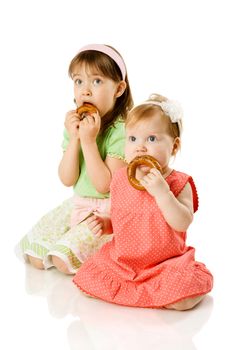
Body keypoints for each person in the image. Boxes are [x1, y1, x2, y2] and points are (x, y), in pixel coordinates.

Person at [73, 93, 213, 310]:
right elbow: (123, 218)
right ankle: (149, 294)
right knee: (87, 281)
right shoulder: (120, 178)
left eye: (152, 139)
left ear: (174, 147)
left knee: (184, 298)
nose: (140, 147)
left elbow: (182, 222)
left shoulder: (178, 182)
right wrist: (106, 222)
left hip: (165, 264)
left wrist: (162, 193)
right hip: (123, 262)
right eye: (132, 139)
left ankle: (161, 292)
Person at [16, 44, 133, 274]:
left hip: (105, 213)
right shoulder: (76, 125)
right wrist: (74, 140)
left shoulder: (122, 129)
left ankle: (104, 255)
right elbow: (67, 179)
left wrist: (89, 142)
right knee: (35, 257)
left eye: (96, 81)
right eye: (79, 81)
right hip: (78, 203)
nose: (85, 91)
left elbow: (104, 186)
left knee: (61, 261)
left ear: (118, 89)